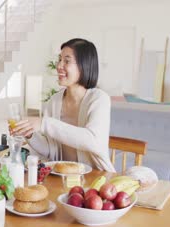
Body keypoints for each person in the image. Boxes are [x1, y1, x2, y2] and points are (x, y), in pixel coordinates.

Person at [12, 38, 115, 172]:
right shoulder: (54, 101)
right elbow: (49, 150)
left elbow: (92, 140)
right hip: (63, 179)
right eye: (60, 59)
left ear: (84, 66)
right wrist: (29, 134)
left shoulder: (99, 99)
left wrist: (44, 123)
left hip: (96, 179)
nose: (59, 65)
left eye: (67, 61)